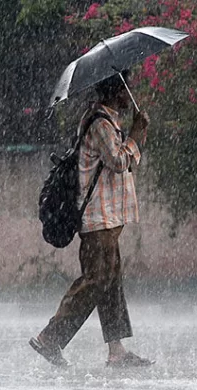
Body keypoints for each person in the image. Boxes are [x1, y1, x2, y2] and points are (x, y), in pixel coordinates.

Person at [29, 72, 153, 367]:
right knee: (96, 280)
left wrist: (133, 133)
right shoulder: (100, 124)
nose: (129, 95)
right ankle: (50, 338)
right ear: (115, 92)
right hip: (98, 219)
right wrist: (137, 135)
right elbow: (119, 161)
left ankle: (117, 351)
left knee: (110, 281)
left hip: (108, 219)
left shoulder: (106, 120)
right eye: (126, 89)